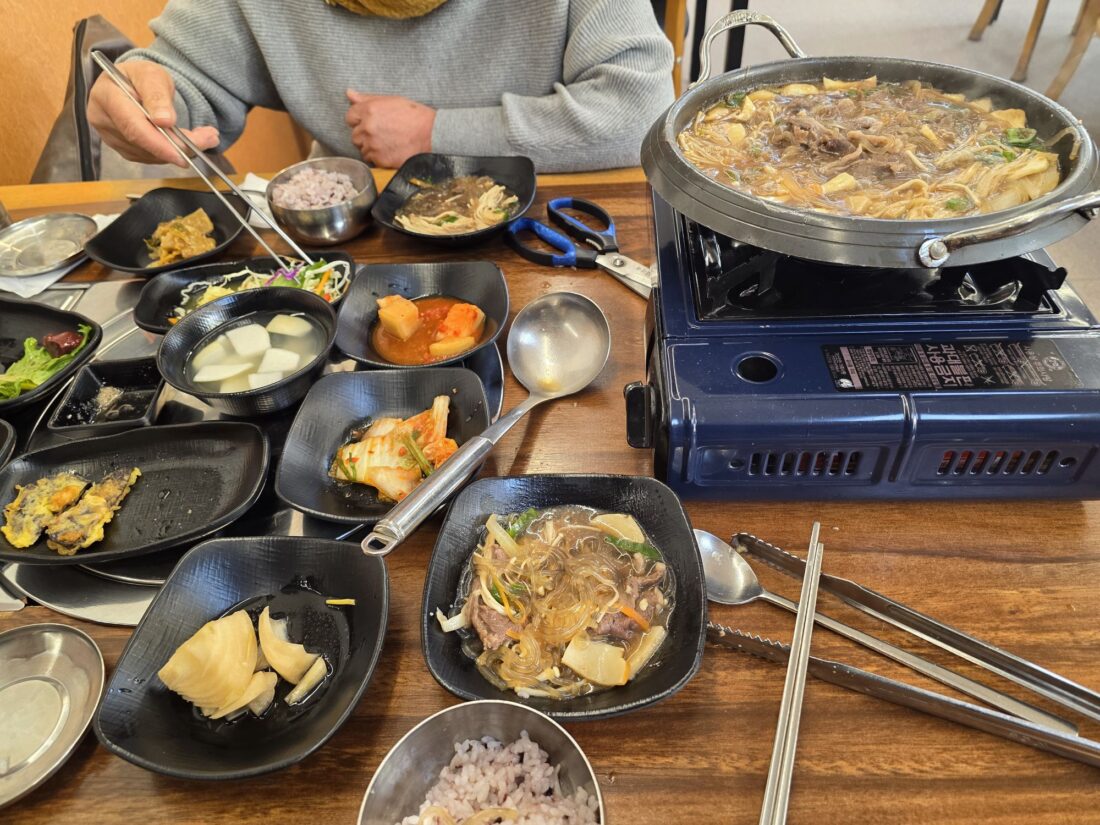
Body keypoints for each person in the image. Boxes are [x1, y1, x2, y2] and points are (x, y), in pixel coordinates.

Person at [87, 0, 675, 173]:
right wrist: (146, 100)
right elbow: (187, 85)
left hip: (541, 217)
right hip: (355, 233)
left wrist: (434, 134)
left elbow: (641, 116)